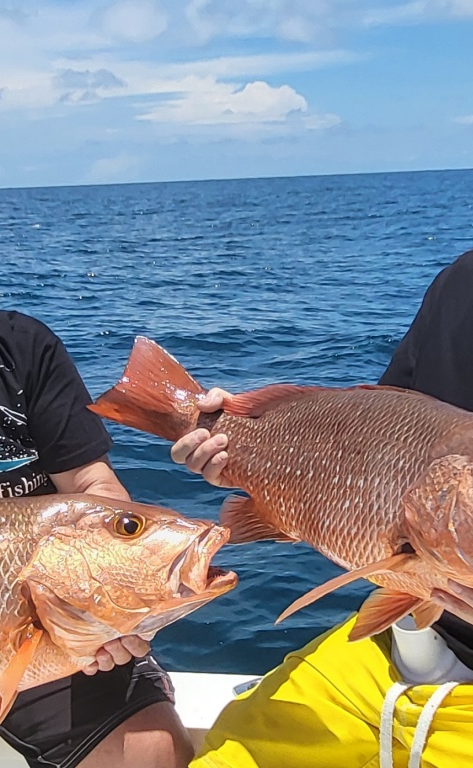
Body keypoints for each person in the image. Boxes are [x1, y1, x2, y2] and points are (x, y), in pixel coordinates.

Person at [170, 247, 473, 767]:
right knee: (226, 754)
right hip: (405, 645)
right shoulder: (460, 284)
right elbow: (376, 428)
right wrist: (242, 446)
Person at [0, 231, 193, 768]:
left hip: (46, 614)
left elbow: (91, 486)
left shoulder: (19, 346)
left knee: (152, 750)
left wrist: (115, 607)